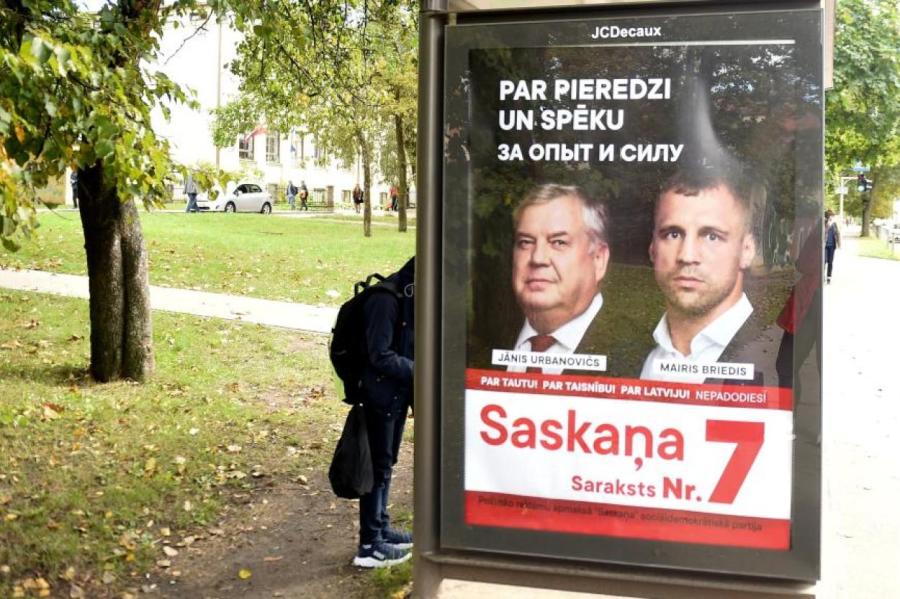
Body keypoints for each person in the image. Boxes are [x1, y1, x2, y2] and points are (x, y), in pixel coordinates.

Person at [640, 165, 764, 385]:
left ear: (746, 250)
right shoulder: (627, 352)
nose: (687, 256)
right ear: (652, 248)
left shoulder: (773, 354)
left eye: (712, 236)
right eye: (673, 234)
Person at [506, 184, 614, 375]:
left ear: (598, 259)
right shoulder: (479, 346)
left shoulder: (643, 355)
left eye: (558, 242)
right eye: (525, 242)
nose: (537, 258)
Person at [353, 257, 415, 568]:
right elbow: (380, 355)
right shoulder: (386, 300)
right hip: (378, 397)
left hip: (396, 395)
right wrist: (421, 371)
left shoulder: (409, 296)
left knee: (386, 464)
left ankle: (382, 527)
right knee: (377, 468)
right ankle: (369, 545)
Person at [824, 209, 841, 284]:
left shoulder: (834, 224)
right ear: (827, 216)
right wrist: (827, 224)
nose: (832, 217)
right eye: (830, 215)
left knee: (830, 262)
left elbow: (837, 233)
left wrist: (839, 244)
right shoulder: (824, 223)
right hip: (824, 245)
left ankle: (829, 277)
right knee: (824, 261)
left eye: (832, 216)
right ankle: (822, 276)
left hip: (832, 246)